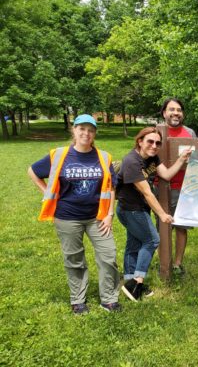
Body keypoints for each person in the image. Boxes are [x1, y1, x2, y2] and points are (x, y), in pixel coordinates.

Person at [28, 114, 121, 314]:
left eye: (90, 130)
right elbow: (33, 171)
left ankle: (109, 298)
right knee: (74, 258)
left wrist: (110, 214)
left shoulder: (104, 157)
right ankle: (78, 299)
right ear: (74, 130)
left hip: (98, 217)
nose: (86, 133)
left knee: (108, 256)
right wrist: (47, 192)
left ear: (94, 133)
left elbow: (111, 186)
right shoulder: (58, 155)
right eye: (82, 129)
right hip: (67, 216)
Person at [116, 127, 191, 301]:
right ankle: (137, 281)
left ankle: (131, 282)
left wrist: (181, 159)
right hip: (130, 210)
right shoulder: (131, 162)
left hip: (138, 208)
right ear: (140, 141)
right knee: (152, 240)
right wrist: (163, 214)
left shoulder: (152, 157)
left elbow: (166, 175)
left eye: (158, 143)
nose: (154, 145)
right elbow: (148, 193)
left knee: (133, 243)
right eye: (150, 141)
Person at [160, 98, 197, 275]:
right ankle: (164, 263)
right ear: (164, 113)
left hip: (184, 188)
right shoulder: (157, 132)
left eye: (179, 110)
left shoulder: (189, 133)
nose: (176, 113)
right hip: (161, 188)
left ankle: (177, 263)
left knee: (181, 227)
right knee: (162, 227)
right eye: (171, 109)